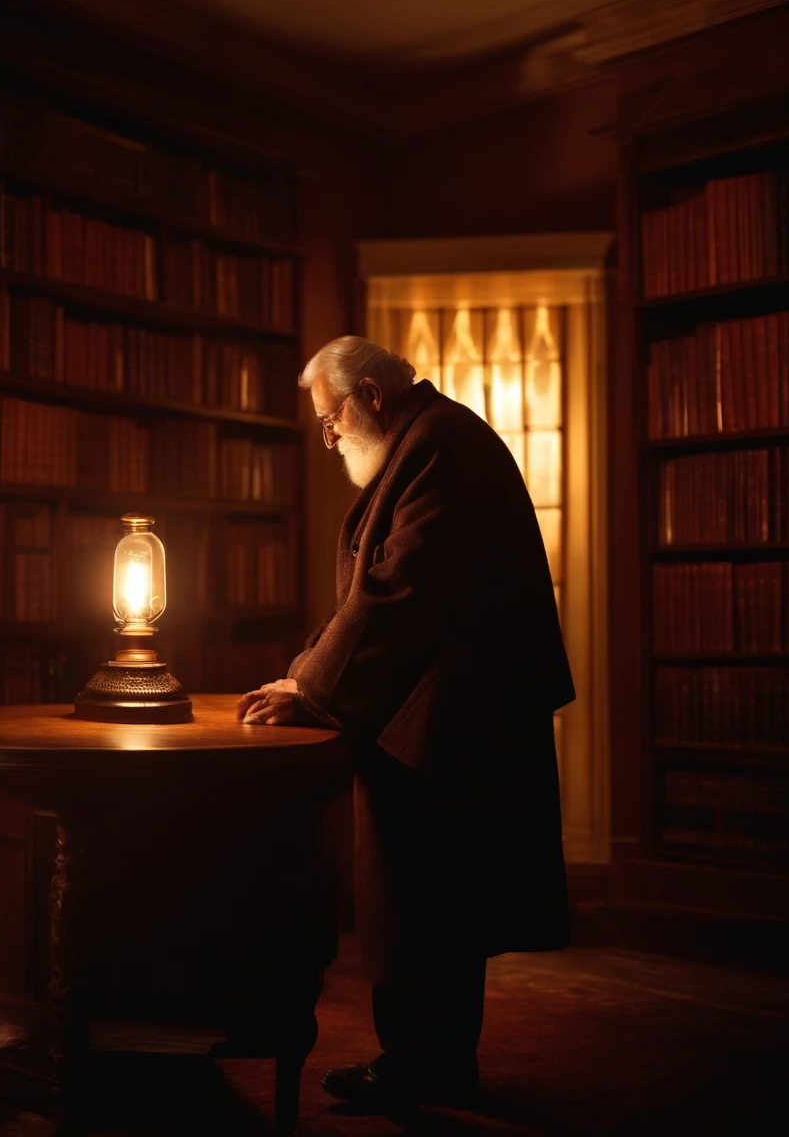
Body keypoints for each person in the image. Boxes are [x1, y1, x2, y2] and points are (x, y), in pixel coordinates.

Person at [237, 336, 574, 1110]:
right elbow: (370, 587)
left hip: (451, 726)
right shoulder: (426, 442)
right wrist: (303, 673)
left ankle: (421, 1067)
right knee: (426, 903)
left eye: (329, 419)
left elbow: (397, 592)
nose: (328, 438)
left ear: (372, 397)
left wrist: (312, 693)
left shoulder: (441, 448)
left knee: (430, 904)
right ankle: (426, 1063)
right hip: (432, 717)